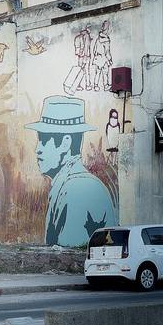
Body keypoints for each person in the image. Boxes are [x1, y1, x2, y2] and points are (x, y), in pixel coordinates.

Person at [25, 95, 117, 246]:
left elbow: (68, 251)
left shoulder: (75, 189)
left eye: (43, 140)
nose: (37, 150)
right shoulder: (67, 184)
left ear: (65, 143)